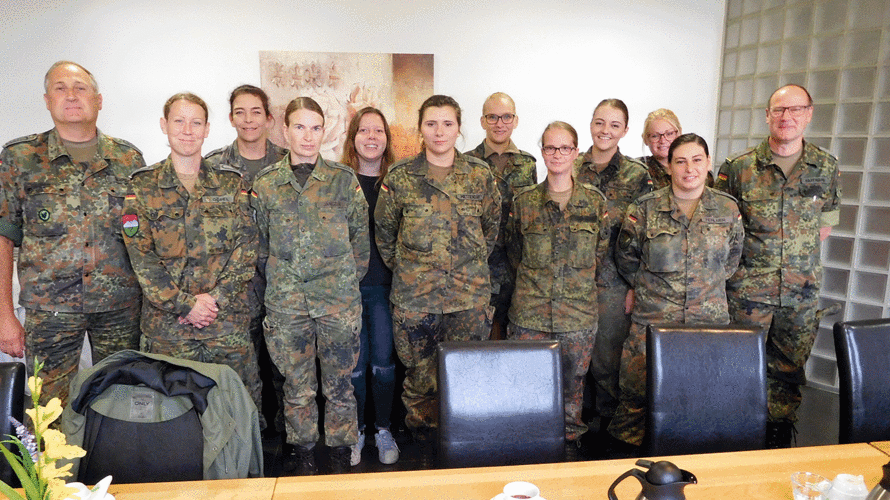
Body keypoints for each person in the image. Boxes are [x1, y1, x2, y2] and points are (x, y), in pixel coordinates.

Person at [0, 61, 144, 408]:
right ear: (48, 100)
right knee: (49, 410)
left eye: (80, 88)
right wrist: (5, 315)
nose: (71, 95)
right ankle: (53, 466)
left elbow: (142, 238)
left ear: (98, 99)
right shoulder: (19, 158)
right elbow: (3, 238)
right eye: (60, 88)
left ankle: (114, 465)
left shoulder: (128, 158)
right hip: (50, 310)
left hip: (120, 307)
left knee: (122, 401)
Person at [123, 92, 263, 427]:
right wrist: (185, 305)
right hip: (168, 331)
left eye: (196, 122)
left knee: (238, 415)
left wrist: (213, 300)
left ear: (207, 129)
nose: (187, 130)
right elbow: (142, 259)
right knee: (170, 422)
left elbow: (247, 247)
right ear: (164, 125)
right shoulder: (141, 187)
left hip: (225, 325)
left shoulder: (232, 183)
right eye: (179, 121)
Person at [715, 84, 841, 448]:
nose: (787, 117)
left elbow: (825, 226)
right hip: (747, 292)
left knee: (789, 371)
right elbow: (722, 229)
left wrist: (790, 262)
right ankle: (731, 437)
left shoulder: (826, 166)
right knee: (738, 366)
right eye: (779, 110)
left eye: (796, 110)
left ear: (809, 113)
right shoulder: (737, 168)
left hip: (799, 293)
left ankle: (778, 436)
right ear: (767, 115)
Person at [375, 94, 500, 454]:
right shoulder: (400, 178)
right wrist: (414, 273)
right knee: (419, 381)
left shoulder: (479, 175)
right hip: (416, 300)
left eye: (447, 123)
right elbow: (385, 235)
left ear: (459, 128)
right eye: (431, 123)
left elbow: (489, 231)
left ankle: (466, 448)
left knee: (467, 376)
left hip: (468, 300)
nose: (439, 131)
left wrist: (464, 266)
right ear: (420, 129)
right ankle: (423, 453)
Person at [251, 96, 369, 474]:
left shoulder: (342, 181)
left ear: (325, 131)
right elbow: (259, 247)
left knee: (339, 387)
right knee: (296, 388)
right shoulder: (266, 185)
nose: (307, 136)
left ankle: (340, 455)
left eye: (315, 128)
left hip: (338, 304)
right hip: (287, 306)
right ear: (285, 131)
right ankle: (302, 455)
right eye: (299, 127)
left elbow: (361, 247)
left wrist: (342, 286)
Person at [608, 133, 744, 450]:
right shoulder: (644, 209)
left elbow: (732, 260)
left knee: (703, 403)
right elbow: (626, 258)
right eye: (680, 161)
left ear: (708, 164)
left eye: (697, 160)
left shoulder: (727, 209)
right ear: (669, 167)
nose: (689, 169)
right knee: (635, 405)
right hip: (652, 325)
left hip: (706, 326)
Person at [506, 121, 608, 449]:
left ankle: (568, 450)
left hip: (577, 316)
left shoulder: (595, 204)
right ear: (542, 151)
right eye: (550, 147)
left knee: (572, 387)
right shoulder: (524, 203)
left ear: (576, 152)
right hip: (530, 315)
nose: (557, 154)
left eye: (565, 148)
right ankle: (528, 448)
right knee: (525, 387)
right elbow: (513, 253)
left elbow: (600, 256)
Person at [204, 84, 288, 435]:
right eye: (241, 112)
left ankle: (288, 436)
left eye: (256, 112)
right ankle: (248, 438)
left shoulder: (288, 161)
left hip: (283, 279)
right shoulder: (214, 166)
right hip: (235, 287)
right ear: (230, 118)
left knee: (285, 366)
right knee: (244, 368)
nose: (248, 119)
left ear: (269, 118)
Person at [574, 98, 652, 436]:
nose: (606, 131)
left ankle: (607, 426)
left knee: (607, 360)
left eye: (614, 125)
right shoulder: (571, 164)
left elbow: (642, 233)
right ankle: (576, 418)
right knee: (575, 357)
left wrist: (635, 285)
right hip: (573, 279)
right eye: (600, 122)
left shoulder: (637, 175)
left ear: (625, 130)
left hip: (613, 280)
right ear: (590, 124)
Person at [340, 107, 400, 466]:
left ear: (387, 139)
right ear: (353, 138)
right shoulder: (337, 182)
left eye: (379, 131)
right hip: (346, 290)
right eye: (364, 130)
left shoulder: (398, 182)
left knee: (384, 363)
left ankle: (383, 429)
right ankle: (357, 430)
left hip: (386, 288)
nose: (372, 137)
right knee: (355, 366)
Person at [465, 92, 537, 340]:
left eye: (506, 117)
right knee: (481, 338)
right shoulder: (467, 164)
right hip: (479, 268)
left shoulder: (528, 164)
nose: (499, 123)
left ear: (515, 120)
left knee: (514, 337)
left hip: (518, 266)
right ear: (483, 121)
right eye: (492, 117)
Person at [640, 109, 714, 190]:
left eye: (669, 134)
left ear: (679, 134)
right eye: (655, 136)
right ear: (645, 139)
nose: (663, 140)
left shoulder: (700, 172)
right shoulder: (638, 172)